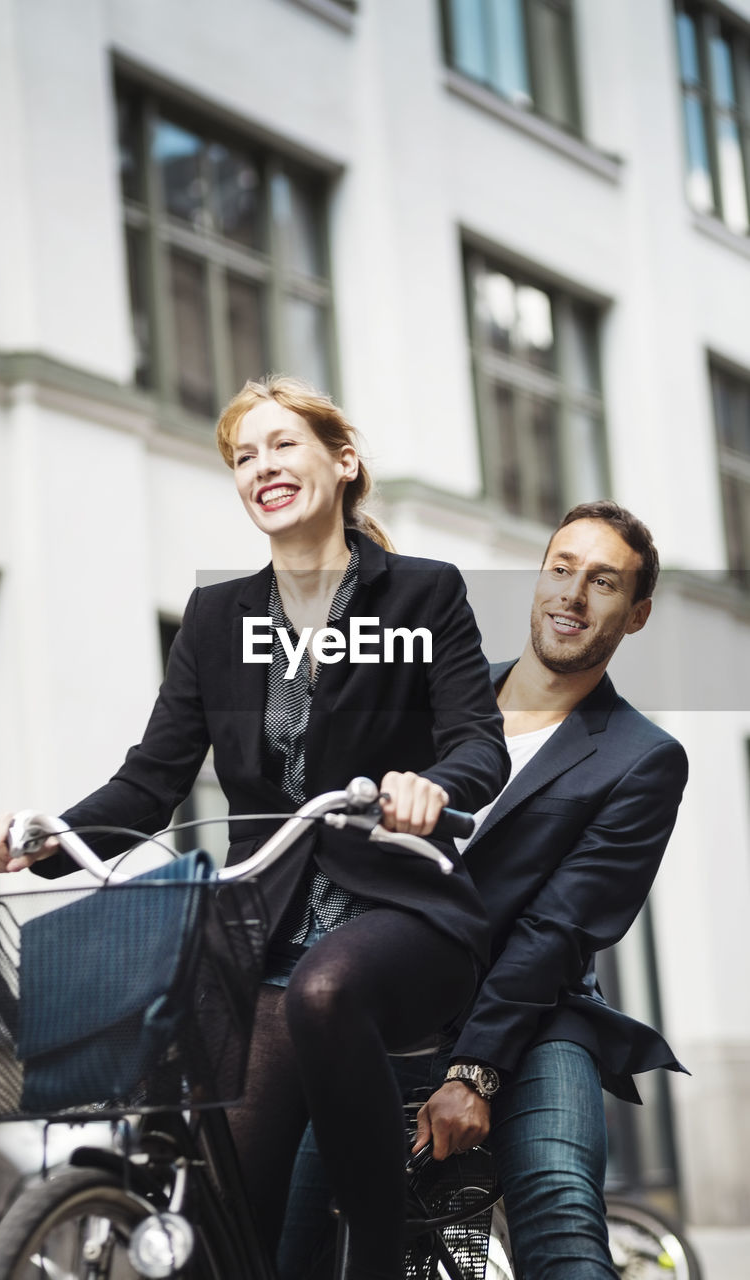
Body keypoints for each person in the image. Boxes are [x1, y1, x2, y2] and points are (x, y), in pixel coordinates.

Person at [0, 374, 509, 1280]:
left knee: (324, 992)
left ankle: (380, 1255)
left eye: (281, 445)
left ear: (343, 463)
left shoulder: (423, 594)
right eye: (242, 455)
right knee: (231, 1220)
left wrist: (428, 784)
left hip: (402, 914)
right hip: (261, 926)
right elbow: (150, 783)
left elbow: (476, 744)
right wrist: (44, 835)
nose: (260, 466)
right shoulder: (218, 618)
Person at [280, 500, 689, 1280]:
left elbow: (558, 928)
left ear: (634, 616)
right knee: (294, 1237)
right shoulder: (440, 697)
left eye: (601, 582)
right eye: (560, 570)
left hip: (533, 1021)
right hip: (395, 1010)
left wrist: (473, 1071)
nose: (571, 596)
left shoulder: (643, 758)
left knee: (561, 1208)